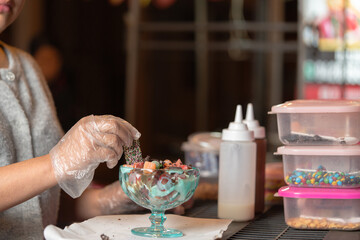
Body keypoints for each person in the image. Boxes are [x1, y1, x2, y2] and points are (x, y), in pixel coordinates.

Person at [0, 1, 142, 239]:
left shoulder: (29, 67)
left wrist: (105, 201)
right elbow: (52, 168)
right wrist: (57, 162)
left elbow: (42, 201)